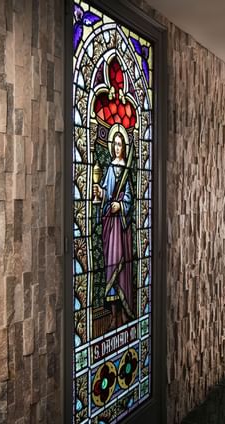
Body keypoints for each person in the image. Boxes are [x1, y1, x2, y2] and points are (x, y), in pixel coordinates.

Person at [93, 132, 135, 328]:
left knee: (123, 268)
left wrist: (121, 205)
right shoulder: (110, 169)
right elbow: (106, 191)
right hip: (111, 226)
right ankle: (113, 315)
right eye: (115, 144)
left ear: (124, 147)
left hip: (122, 227)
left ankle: (125, 313)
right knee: (111, 268)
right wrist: (100, 192)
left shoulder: (126, 169)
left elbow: (130, 197)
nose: (118, 147)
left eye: (120, 144)